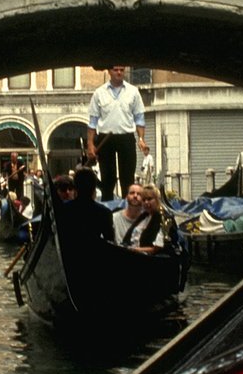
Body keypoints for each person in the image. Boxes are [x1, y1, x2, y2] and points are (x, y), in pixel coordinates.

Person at [87, 65, 148, 201]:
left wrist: (141, 139)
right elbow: (92, 122)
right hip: (105, 139)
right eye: (116, 70)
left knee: (128, 178)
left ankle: (130, 210)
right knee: (108, 179)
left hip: (126, 138)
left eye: (121, 69)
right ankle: (108, 213)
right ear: (109, 71)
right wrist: (90, 144)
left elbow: (139, 118)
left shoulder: (133, 91)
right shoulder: (99, 93)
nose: (119, 72)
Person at [55, 165, 114, 245]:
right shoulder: (104, 212)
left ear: (75, 187)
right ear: (94, 188)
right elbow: (110, 241)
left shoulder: (63, 210)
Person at [121, 184, 168, 254]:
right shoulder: (144, 216)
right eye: (143, 200)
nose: (146, 202)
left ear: (157, 200)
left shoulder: (164, 218)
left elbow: (157, 249)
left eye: (149, 199)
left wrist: (133, 250)